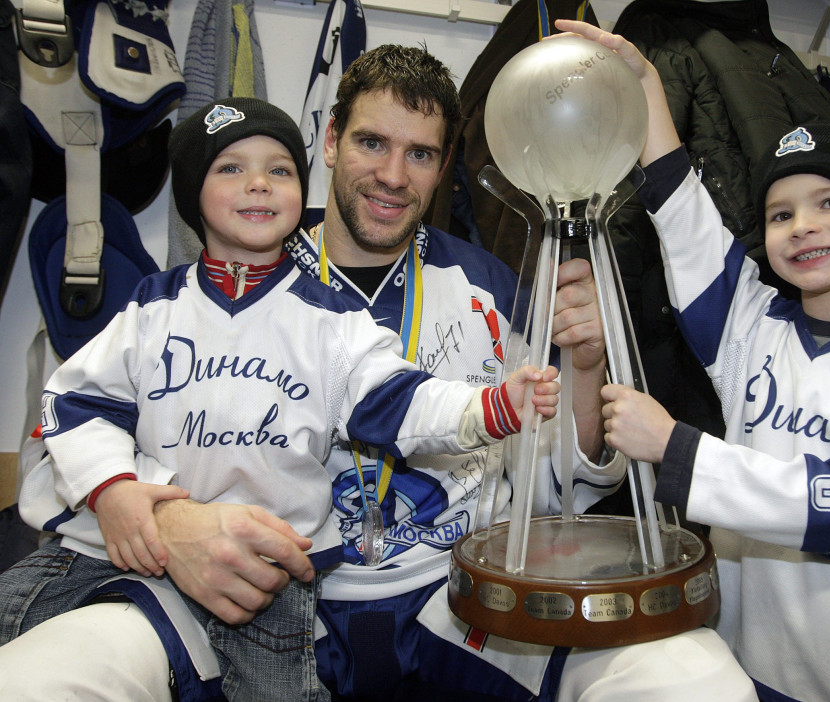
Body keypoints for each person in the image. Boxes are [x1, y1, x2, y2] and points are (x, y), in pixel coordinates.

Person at [0, 44, 757, 702]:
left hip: (450, 600)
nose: (394, 176)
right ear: (330, 140)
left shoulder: (494, 284)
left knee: (689, 677)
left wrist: (583, 366)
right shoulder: (218, 281)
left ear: (442, 167)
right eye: (371, 143)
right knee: (43, 679)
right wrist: (168, 523)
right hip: (244, 595)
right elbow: (59, 436)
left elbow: (552, 486)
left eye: (421, 154)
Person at [0, 95, 562, 701]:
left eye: (278, 170)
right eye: (231, 169)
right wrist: (117, 491)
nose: (259, 185)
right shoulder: (149, 307)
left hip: (280, 584)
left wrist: (493, 408)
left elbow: (403, 400)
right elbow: (73, 408)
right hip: (150, 563)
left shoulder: (332, 319)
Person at [556, 19, 830, 702]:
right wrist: (644, 90)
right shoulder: (755, 328)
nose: (802, 225)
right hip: (754, 672)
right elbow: (687, 220)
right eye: (779, 214)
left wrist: (674, 448)